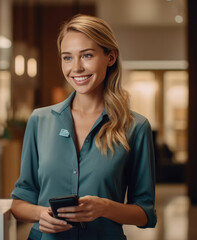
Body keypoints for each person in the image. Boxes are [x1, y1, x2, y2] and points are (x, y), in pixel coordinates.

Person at [10, 14, 157, 240]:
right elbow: (20, 202)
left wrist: (105, 207)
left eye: (87, 55)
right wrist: (41, 214)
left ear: (110, 57)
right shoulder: (40, 120)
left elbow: (145, 214)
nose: (76, 68)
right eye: (67, 58)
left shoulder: (136, 127)